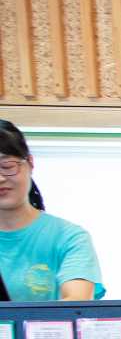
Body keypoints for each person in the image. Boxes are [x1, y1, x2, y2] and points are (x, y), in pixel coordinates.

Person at [0, 120, 104, 303]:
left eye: (7, 166)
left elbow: (77, 303)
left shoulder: (69, 237)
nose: (1, 178)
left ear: (30, 163)